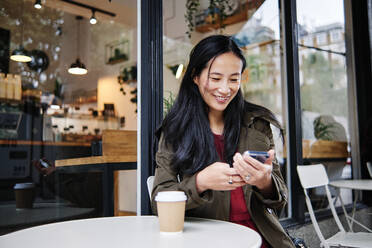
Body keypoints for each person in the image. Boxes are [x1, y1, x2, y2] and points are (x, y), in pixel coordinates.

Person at [151, 35, 295, 248]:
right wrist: (200, 182)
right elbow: (159, 201)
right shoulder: (175, 131)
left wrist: (264, 182)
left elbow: (280, 199)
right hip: (207, 240)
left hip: (262, 237)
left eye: (234, 79)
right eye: (216, 78)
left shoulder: (258, 124)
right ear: (195, 77)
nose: (225, 89)